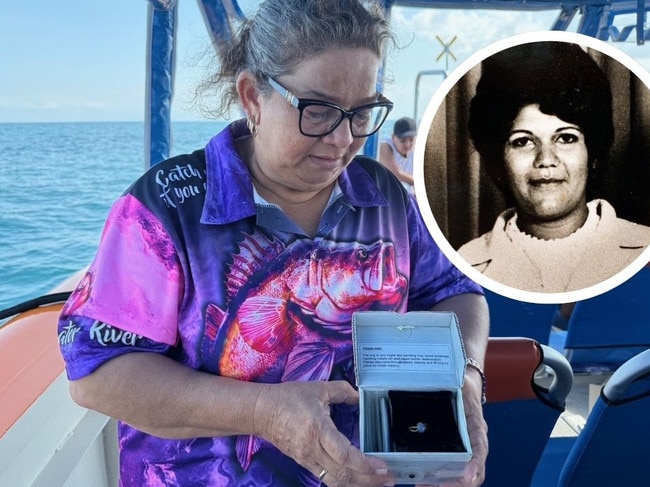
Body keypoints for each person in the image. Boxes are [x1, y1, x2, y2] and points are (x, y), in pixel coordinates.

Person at [57, 1, 489, 486]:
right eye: (319, 110)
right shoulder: (165, 208)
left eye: (363, 112)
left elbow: (456, 291)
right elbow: (98, 375)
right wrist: (265, 411)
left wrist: (467, 377)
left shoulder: (386, 195)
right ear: (253, 97)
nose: (343, 139)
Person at [458, 40, 650, 293]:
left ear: (592, 153)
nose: (546, 159)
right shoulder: (463, 263)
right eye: (523, 141)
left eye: (566, 138)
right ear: (498, 161)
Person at [379, 117, 416, 194]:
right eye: (402, 141)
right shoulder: (385, 147)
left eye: (411, 140)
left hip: (407, 195)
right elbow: (396, 174)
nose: (407, 144)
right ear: (393, 137)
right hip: (387, 194)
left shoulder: (417, 149)